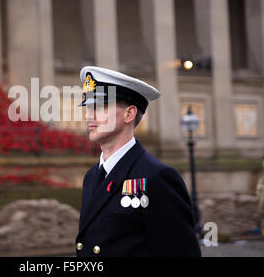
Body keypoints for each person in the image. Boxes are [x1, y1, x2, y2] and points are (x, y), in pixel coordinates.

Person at [75, 66, 201, 257]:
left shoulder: (157, 177)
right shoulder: (91, 177)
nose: (88, 116)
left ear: (129, 114)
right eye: (89, 107)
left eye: (100, 107)